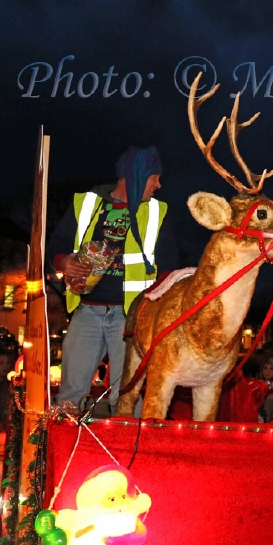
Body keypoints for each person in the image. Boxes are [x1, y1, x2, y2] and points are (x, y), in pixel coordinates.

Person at [48, 146, 179, 414]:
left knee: (128, 398)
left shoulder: (157, 213)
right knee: (71, 396)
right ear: (136, 176)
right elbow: (55, 245)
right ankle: (65, 453)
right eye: (154, 176)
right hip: (87, 313)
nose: (158, 184)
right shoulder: (85, 205)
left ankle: (126, 453)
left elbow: (169, 271)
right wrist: (63, 262)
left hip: (131, 319)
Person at [257, 356, 273, 423]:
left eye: (271, 368)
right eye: (265, 368)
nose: (268, 371)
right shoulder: (256, 386)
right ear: (262, 371)